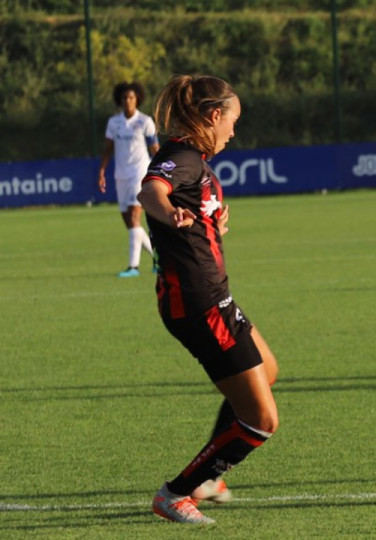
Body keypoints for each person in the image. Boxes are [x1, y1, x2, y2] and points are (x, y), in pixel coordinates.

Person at [138, 74, 279, 524]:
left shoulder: (193, 160)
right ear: (213, 116)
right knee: (261, 420)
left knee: (268, 370)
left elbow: (184, 202)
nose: (233, 132)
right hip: (198, 303)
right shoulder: (180, 156)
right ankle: (177, 493)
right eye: (232, 121)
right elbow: (150, 192)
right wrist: (170, 211)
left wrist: (209, 217)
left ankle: (208, 479)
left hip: (213, 297)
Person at [98, 82, 161, 278]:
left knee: (135, 218)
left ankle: (133, 267)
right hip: (121, 175)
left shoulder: (145, 122)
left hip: (139, 174)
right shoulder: (113, 123)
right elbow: (108, 149)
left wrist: (160, 172)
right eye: (125, 98)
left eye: (131, 97)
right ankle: (158, 258)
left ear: (137, 99)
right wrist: (102, 171)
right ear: (120, 100)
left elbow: (155, 149)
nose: (128, 101)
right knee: (130, 223)